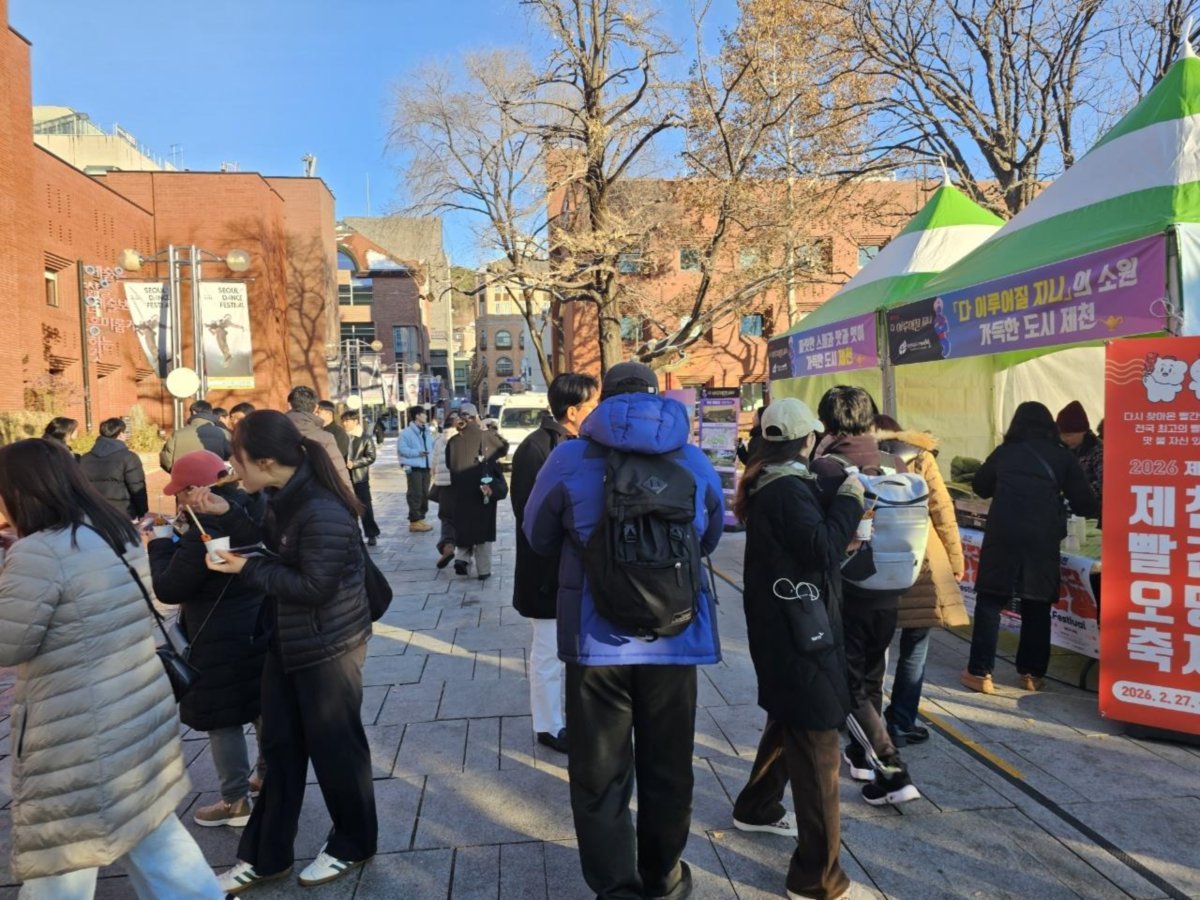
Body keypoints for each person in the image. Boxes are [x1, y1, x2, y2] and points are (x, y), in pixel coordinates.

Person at [523, 361, 724, 900]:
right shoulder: (692, 458)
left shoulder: (568, 457)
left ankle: (616, 888)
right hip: (675, 638)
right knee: (669, 767)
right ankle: (663, 878)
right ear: (658, 397)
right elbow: (709, 538)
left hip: (597, 643)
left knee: (600, 773)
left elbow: (537, 536)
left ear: (603, 400)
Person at [0, 438, 222, 899]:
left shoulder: (38, 552)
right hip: (133, 708)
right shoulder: (111, 529)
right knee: (154, 836)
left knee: (63, 857)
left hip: (76, 730)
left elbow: (9, 644)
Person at [194, 410, 377, 894]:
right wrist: (226, 513)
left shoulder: (321, 507)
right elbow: (272, 544)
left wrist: (244, 570)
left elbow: (314, 585)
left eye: (237, 459)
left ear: (265, 461)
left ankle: (354, 843)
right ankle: (265, 856)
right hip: (288, 640)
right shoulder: (282, 495)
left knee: (337, 751)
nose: (231, 469)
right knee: (279, 750)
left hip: (329, 645)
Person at [730, 399, 864, 900]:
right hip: (800, 635)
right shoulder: (787, 488)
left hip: (786, 628)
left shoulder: (773, 481)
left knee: (791, 719)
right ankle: (817, 879)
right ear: (807, 440)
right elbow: (824, 549)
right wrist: (850, 500)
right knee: (817, 745)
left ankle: (757, 806)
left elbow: (808, 548)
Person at [810, 385, 919, 807]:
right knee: (871, 678)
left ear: (826, 422)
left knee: (848, 684)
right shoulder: (893, 462)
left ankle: (893, 771)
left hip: (847, 591)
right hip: (891, 589)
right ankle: (861, 757)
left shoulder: (826, 469)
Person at [147, 450, 267, 829]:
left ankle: (235, 801)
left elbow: (170, 588)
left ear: (193, 490)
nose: (178, 501)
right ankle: (267, 776)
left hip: (215, 632)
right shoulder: (252, 506)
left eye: (180, 493)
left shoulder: (207, 524)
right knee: (260, 704)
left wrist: (160, 543)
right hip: (258, 621)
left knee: (223, 717)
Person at [963, 402, 1098, 694]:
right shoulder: (1062, 457)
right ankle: (1031, 675)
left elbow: (981, 486)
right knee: (1037, 603)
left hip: (1003, 534)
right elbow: (1085, 504)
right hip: (1042, 538)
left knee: (990, 601)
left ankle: (980, 673)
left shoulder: (1004, 452)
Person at [510, 373, 598, 756]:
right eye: (593, 404)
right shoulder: (535, 449)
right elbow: (529, 516)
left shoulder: (583, 444)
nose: (598, 410)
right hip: (547, 572)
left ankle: (573, 718)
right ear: (573, 411)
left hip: (577, 570)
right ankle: (548, 725)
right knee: (547, 651)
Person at [875, 415, 968, 747]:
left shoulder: (858, 455)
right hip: (920, 561)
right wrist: (956, 560)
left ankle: (862, 720)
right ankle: (901, 722)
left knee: (871, 647)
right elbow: (942, 510)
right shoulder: (920, 456)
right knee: (915, 645)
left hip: (874, 562)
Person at [446, 403, 508, 579]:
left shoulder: (453, 441)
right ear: (476, 417)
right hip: (482, 490)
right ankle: (483, 570)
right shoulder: (485, 436)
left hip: (460, 492)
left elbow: (449, 464)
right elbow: (503, 448)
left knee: (464, 526)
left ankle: (462, 558)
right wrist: (486, 429)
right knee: (483, 529)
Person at [79, 417, 148, 521]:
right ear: (120, 434)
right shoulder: (129, 457)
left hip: (93, 514)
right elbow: (137, 488)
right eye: (125, 432)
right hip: (122, 514)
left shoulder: (84, 458)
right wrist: (142, 512)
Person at [285, 386, 351, 488]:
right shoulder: (325, 438)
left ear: (289, 405)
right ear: (315, 407)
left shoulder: (274, 433)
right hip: (319, 493)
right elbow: (340, 474)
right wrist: (349, 496)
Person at [1056, 400, 1103, 513]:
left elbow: (1104, 484)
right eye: (1061, 435)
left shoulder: (1098, 451)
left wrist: (1076, 493)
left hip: (1093, 512)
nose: (1064, 439)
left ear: (1083, 431)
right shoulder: (1063, 450)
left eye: (1069, 435)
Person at [430, 412, 464, 569]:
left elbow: (433, 465)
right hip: (460, 485)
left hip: (443, 486)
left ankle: (447, 546)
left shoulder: (440, 440)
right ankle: (464, 554)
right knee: (463, 517)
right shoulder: (462, 438)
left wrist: (436, 477)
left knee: (446, 518)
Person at [343, 409, 381, 546]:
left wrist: (355, 464)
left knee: (365, 507)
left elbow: (371, 457)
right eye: (343, 421)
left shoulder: (365, 438)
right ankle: (352, 535)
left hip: (360, 478)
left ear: (355, 421)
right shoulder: (341, 437)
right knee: (348, 507)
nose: (345, 423)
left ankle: (371, 534)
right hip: (344, 478)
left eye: (347, 421)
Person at [159, 400, 231, 472]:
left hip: (184, 476)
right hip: (215, 476)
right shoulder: (223, 433)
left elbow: (166, 459)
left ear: (193, 412)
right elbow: (232, 457)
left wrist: (177, 472)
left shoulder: (178, 434)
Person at [399, 405, 436, 533]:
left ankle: (421, 518)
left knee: (425, 493)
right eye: (423, 414)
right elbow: (402, 450)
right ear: (417, 416)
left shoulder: (427, 431)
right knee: (415, 493)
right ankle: (414, 521)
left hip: (426, 466)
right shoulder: (406, 433)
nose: (426, 416)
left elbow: (432, 448)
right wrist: (418, 453)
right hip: (412, 467)